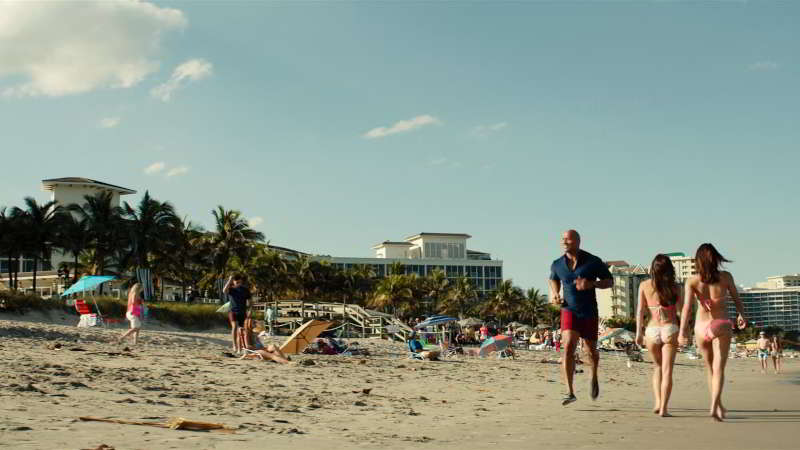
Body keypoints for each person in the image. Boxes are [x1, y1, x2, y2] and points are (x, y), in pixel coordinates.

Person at [678, 243, 747, 422]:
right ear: (716, 258)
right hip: (721, 324)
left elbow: (686, 308)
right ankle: (715, 404)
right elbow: (736, 298)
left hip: (701, 327)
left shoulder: (692, 281)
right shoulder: (725, 277)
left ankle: (716, 403)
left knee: (709, 368)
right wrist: (742, 315)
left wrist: (682, 332)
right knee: (719, 368)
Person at [548, 229, 612, 406]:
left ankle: (594, 375)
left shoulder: (593, 261)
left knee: (591, 351)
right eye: (562, 239)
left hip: (589, 311)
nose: (563, 242)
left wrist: (592, 283)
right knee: (568, 346)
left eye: (567, 239)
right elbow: (553, 279)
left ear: (577, 241)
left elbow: (609, 281)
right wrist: (555, 293)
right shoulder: (557, 264)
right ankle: (569, 391)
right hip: (568, 310)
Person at [635, 254, 684, 417]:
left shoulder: (644, 285)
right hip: (670, 328)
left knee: (657, 367)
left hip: (652, 330)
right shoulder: (676, 287)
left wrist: (638, 333)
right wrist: (686, 332)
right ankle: (664, 408)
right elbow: (681, 312)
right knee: (667, 370)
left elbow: (640, 311)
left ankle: (657, 401)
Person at [223, 273, 252, 354]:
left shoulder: (245, 290)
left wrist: (250, 310)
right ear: (233, 281)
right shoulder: (231, 289)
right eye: (235, 281)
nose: (237, 282)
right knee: (235, 327)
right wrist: (229, 279)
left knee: (240, 331)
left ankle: (239, 349)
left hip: (242, 312)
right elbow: (224, 290)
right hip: (233, 311)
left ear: (241, 281)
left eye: (238, 281)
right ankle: (234, 345)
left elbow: (250, 302)